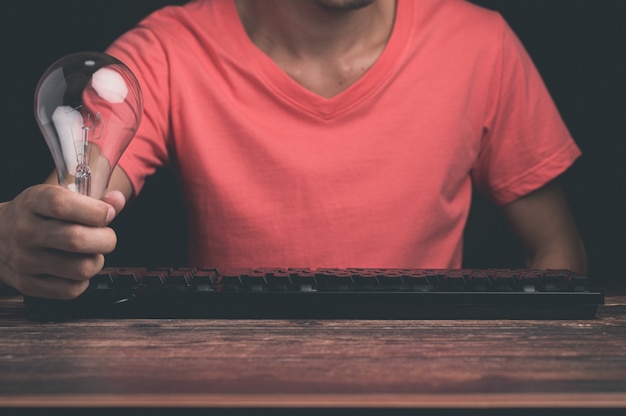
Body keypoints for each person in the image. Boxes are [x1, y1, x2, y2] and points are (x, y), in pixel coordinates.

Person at [0, 0, 587, 299]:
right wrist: (25, 236)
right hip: (230, 395)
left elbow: (556, 249)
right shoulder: (170, 49)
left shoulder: (479, 43)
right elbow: (75, 196)